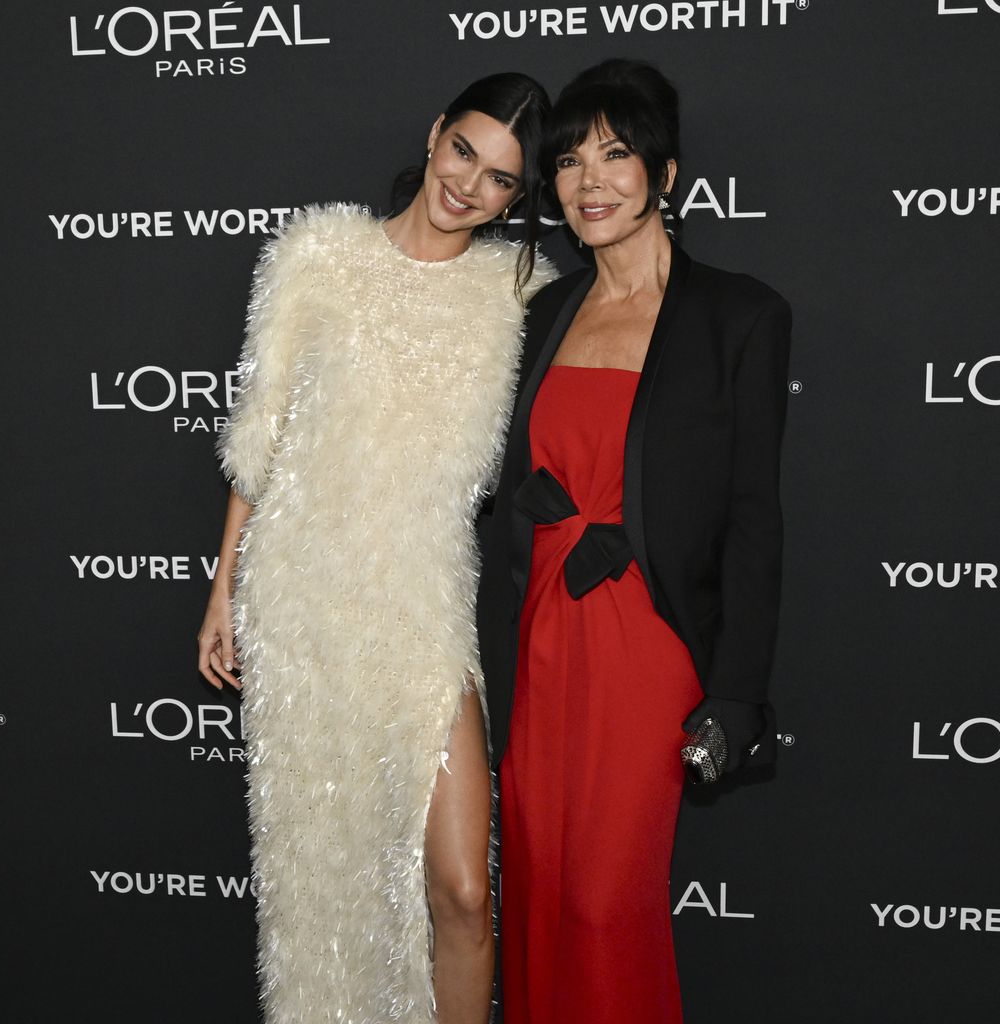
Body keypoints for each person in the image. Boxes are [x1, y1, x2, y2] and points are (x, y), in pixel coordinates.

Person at [196, 73, 553, 1024]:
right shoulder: (317, 255)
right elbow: (259, 437)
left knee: (464, 892)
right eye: (465, 151)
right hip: (302, 600)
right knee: (325, 878)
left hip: (423, 604)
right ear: (436, 134)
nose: (469, 185)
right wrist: (223, 589)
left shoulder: (519, 294)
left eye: (501, 180)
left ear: (518, 199)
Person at [476, 59, 792, 1023]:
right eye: (569, 161)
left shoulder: (740, 315)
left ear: (666, 172)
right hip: (538, 629)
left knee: (604, 901)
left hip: (648, 636)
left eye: (615, 155)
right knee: (537, 888)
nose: (591, 182)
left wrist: (737, 693)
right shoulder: (542, 312)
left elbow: (753, 516)